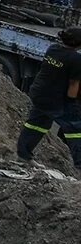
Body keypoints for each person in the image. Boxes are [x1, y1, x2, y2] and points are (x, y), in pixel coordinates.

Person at [16, 26, 81, 170]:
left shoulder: (52, 49)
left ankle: (23, 155)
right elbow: (73, 84)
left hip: (39, 94)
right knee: (75, 129)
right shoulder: (76, 59)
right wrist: (71, 103)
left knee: (37, 124)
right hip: (55, 99)